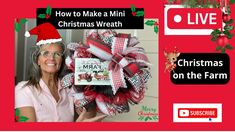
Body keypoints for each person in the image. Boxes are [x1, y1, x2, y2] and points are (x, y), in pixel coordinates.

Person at [15, 22, 106, 122]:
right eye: (46, 53)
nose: (51, 58)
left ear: (62, 60)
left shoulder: (70, 89)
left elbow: (88, 115)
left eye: (57, 54)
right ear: (38, 60)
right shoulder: (24, 90)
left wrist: (96, 87)